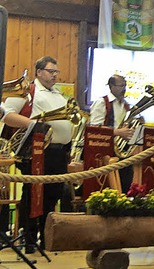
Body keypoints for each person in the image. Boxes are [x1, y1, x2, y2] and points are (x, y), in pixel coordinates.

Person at [2, 56, 73, 253]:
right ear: (39, 72)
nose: (55, 75)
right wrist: (33, 124)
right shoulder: (27, 91)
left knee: (53, 194)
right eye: (51, 71)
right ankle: (30, 238)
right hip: (36, 152)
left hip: (58, 152)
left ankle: (46, 237)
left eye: (56, 72)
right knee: (33, 195)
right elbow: (7, 115)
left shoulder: (58, 95)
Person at [89, 74, 135, 191]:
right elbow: (94, 129)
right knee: (108, 186)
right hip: (106, 153)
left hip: (122, 152)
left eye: (125, 86)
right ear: (111, 86)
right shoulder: (101, 103)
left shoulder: (125, 105)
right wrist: (117, 132)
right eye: (121, 86)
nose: (124, 89)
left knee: (125, 183)